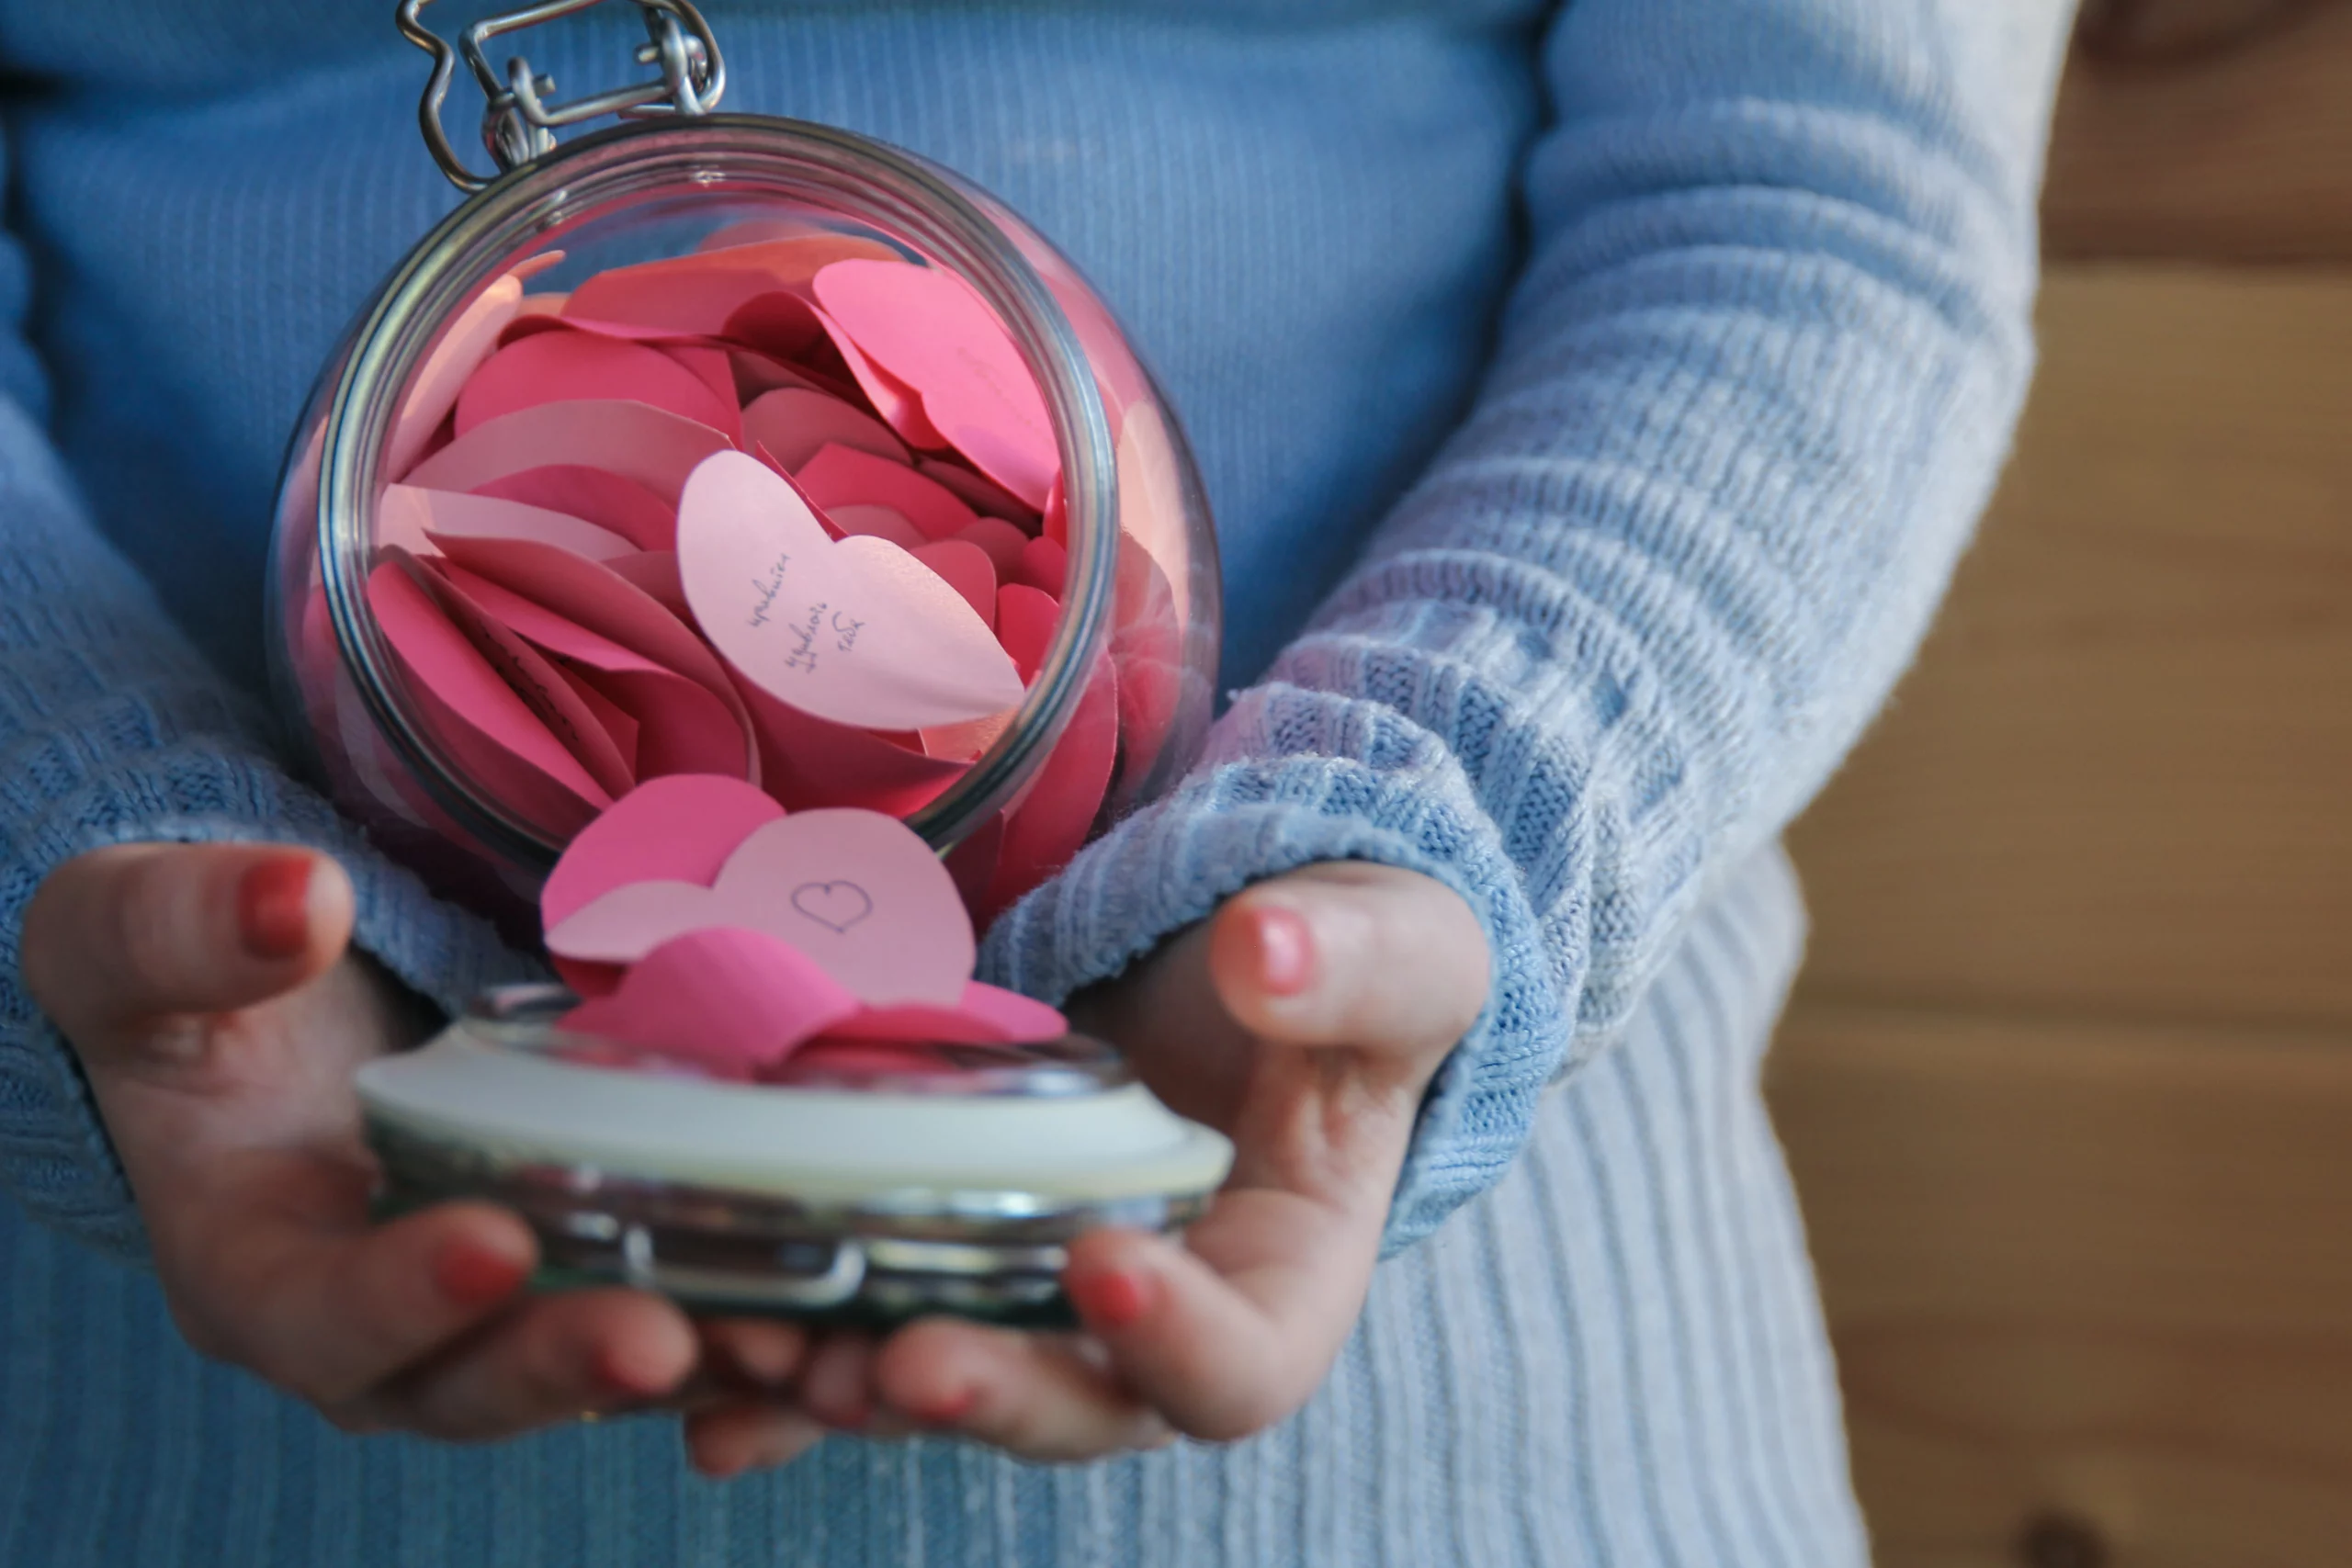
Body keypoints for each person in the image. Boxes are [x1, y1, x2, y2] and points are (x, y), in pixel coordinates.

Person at [0, 0, 2075, 1562]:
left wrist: (1424, 853)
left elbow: (1813, 191)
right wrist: (78, 836)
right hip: (176, 1408)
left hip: (1478, 1428)